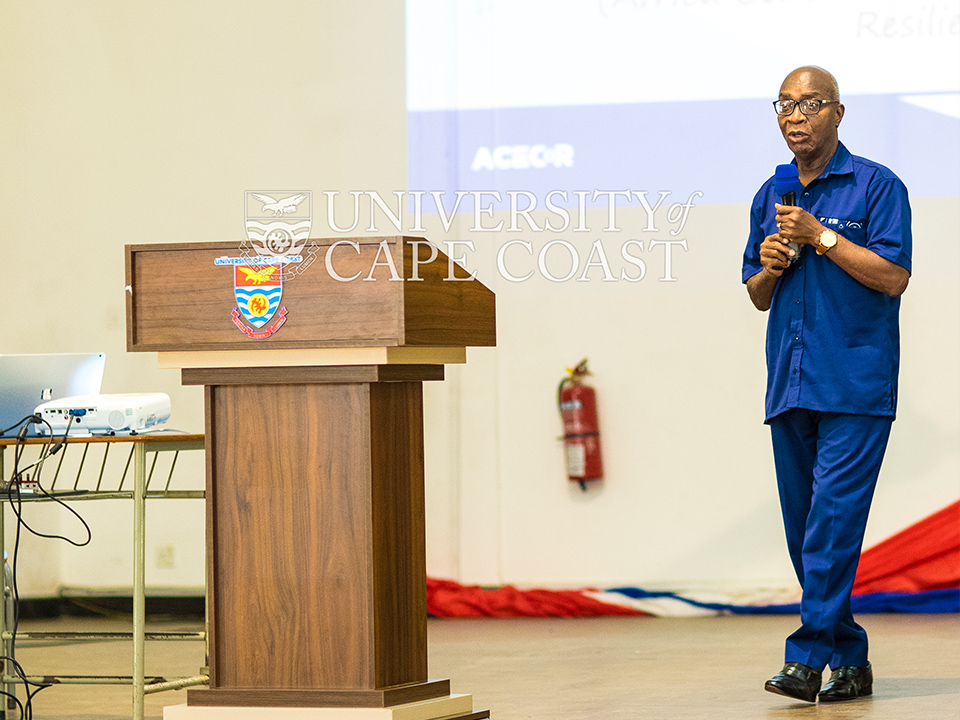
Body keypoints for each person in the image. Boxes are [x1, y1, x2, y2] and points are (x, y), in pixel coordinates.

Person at [741, 66, 912, 703]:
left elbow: (893, 277)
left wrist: (822, 237)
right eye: (784, 104)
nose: (795, 115)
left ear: (838, 113)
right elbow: (757, 296)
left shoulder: (877, 186)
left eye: (809, 103)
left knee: (830, 528)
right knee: (804, 532)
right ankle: (852, 658)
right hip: (789, 383)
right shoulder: (771, 194)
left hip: (855, 384)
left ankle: (808, 657)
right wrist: (771, 265)